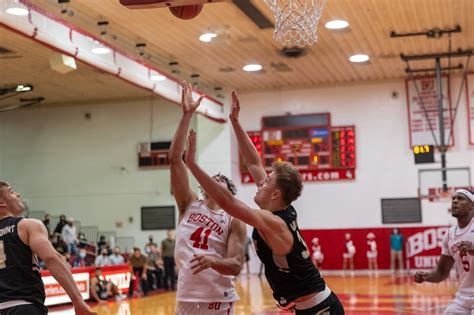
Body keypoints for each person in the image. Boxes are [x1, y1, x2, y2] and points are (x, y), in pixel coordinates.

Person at [184, 91, 344, 314]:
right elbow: (253, 162)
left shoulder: (273, 221)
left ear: (276, 193)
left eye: (266, 181)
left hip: (320, 308)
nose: (260, 182)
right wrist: (236, 122)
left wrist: (192, 165)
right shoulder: (277, 207)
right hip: (307, 307)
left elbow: (227, 202)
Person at [169, 81, 247, 314]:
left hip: (217, 298)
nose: (213, 185)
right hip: (186, 295)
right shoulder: (189, 204)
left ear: (228, 195)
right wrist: (186, 115)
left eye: (219, 183)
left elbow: (235, 265)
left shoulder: (234, 220)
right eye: (210, 182)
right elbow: (174, 159)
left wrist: (212, 261)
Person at [0, 181, 96, 315]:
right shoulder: (27, 225)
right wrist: (78, 301)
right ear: (2, 203)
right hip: (23, 306)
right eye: (11, 191)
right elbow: (52, 258)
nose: (18, 194)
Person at [415, 189, 474, 315]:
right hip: (463, 297)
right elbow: (441, 272)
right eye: (453, 199)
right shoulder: (450, 234)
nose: (455, 201)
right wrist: (426, 276)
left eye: (460, 198)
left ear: (472, 206)